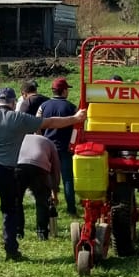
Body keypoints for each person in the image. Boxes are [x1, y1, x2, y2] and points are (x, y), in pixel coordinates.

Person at [0, 87, 85, 262]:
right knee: (10, 210)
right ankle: (11, 250)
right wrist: (75, 118)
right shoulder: (19, 118)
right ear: (13, 103)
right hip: (6, 170)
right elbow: (50, 122)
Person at [38, 75, 79, 216]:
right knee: (67, 178)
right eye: (67, 89)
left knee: (49, 177)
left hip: (48, 147)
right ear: (63, 91)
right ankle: (71, 209)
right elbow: (77, 129)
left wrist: (41, 140)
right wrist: (72, 144)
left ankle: (51, 203)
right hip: (65, 148)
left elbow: (37, 125)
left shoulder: (43, 106)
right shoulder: (71, 108)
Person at [16, 130, 61, 241]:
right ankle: (42, 233)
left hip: (19, 166)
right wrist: (54, 192)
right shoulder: (48, 142)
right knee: (42, 201)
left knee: (17, 201)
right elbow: (55, 170)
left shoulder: (20, 137)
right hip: (39, 167)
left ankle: (18, 232)